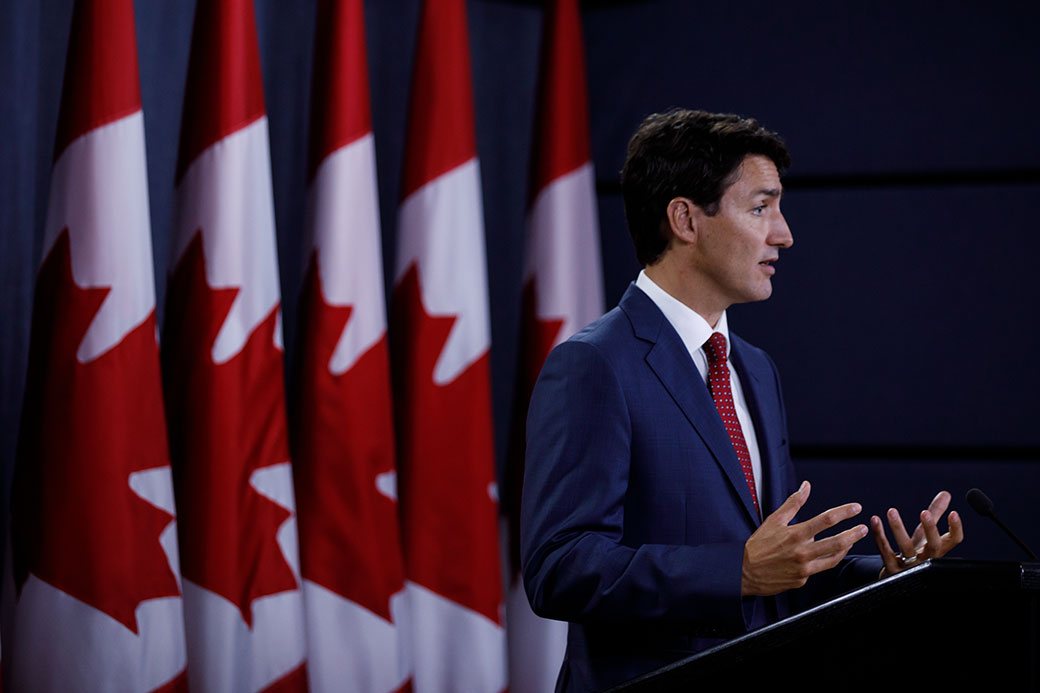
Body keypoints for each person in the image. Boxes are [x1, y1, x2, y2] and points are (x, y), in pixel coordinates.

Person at [520, 109, 964, 692]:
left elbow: (773, 567)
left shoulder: (754, 368)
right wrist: (738, 571)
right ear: (685, 218)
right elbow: (559, 568)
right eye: (760, 207)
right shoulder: (595, 364)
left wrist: (886, 574)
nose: (784, 233)